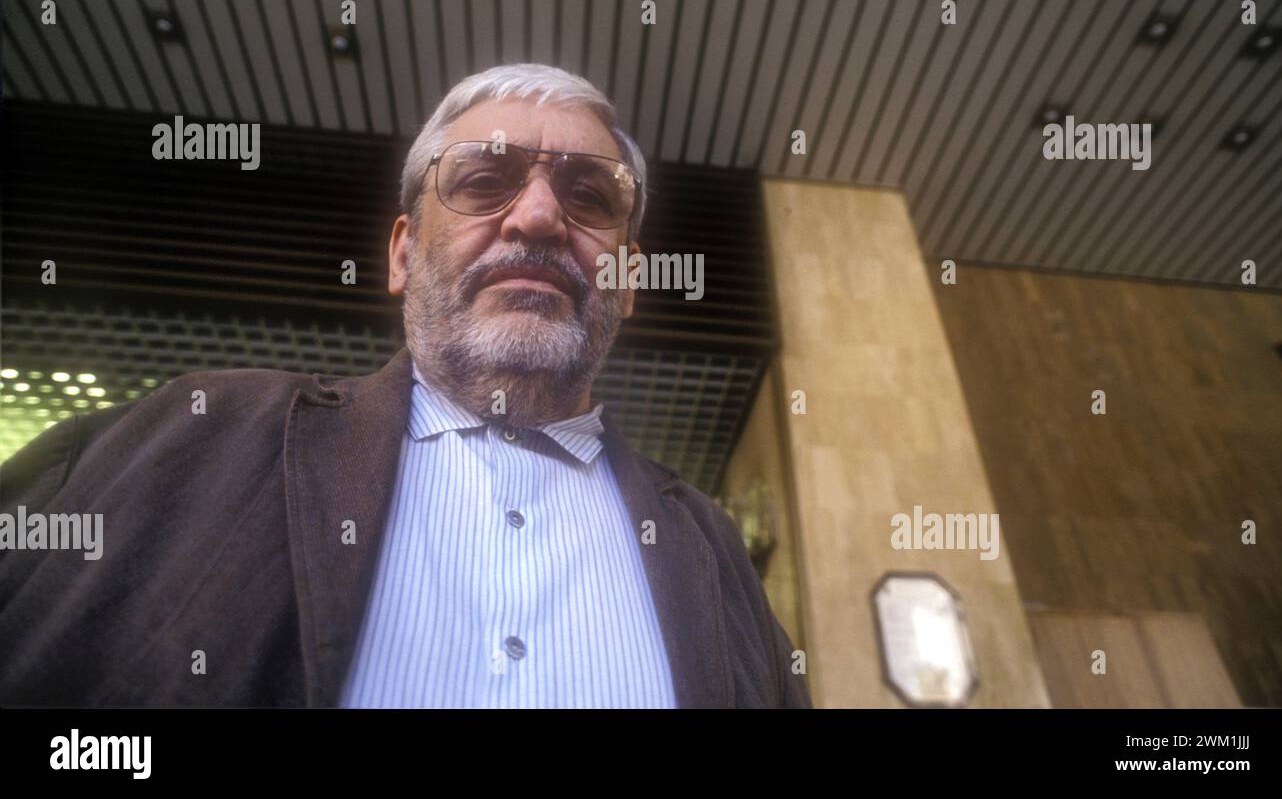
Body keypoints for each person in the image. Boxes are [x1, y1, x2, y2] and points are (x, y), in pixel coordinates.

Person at [0, 63, 811, 708]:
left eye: (589, 195)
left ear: (630, 279)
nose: (537, 216)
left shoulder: (713, 552)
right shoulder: (189, 434)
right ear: (401, 253)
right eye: (485, 181)